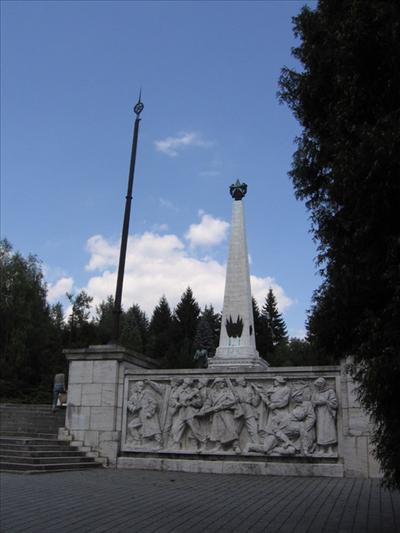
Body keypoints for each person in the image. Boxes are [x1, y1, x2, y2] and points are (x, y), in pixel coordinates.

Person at [312, 377, 338, 455]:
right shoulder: (316, 393)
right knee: (320, 431)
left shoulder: (330, 391)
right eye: (316, 385)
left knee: (329, 430)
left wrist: (325, 402)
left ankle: (330, 449)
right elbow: (312, 402)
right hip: (319, 414)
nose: (317, 387)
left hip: (328, 413)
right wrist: (315, 403)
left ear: (323, 384)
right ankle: (322, 449)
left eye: (319, 385)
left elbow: (334, 403)